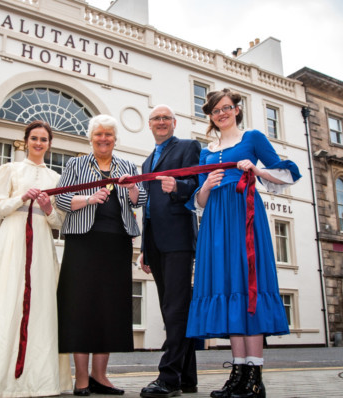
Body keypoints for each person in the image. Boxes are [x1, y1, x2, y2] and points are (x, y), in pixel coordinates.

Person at [185, 89, 301, 398]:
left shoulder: (253, 138)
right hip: (215, 223)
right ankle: (237, 373)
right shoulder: (206, 150)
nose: (220, 114)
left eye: (225, 108)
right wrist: (207, 185)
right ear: (209, 116)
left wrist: (256, 169)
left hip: (245, 216)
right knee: (226, 287)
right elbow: (198, 201)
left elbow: (287, 175)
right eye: (214, 111)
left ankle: (254, 377)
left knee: (248, 284)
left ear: (236, 109)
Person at [0, 121, 72, 397]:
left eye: (43, 139)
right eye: (34, 138)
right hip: (13, 240)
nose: (38, 143)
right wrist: (21, 197)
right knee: (8, 299)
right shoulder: (8, 169)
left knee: (42, 304)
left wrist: (47, 207)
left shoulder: (56, 178)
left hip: (42, 244)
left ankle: (42, 380)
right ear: (26, 140)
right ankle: (0, 379)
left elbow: (59, 222)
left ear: (49, 143)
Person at [55, 114, 147, 396]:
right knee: (80, 307)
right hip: (83, 242)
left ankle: (100, 376)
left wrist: (131, 185)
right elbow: (60, 198)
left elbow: (140, 199)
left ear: (115, 139)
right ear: (90, 138)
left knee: (109, 308)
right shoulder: (75, 164)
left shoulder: (128, 165)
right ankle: (81, 378)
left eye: (108, 134)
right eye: (98, 135)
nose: (103, 139)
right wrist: (89, 199)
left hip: (117, 243)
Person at [139, 105, 201, 398]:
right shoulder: (147, 162)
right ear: (149, 124)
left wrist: (177, 186)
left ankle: (169, 378)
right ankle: (187, 377)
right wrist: (144, 249)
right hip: (155, 242)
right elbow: (147, 209)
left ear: (174, 123)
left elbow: (196, 184)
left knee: (175, 309)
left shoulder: (189, 147)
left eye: (166, 118)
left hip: (178, 239)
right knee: (173, 310)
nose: (161, 122)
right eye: (156, 119)